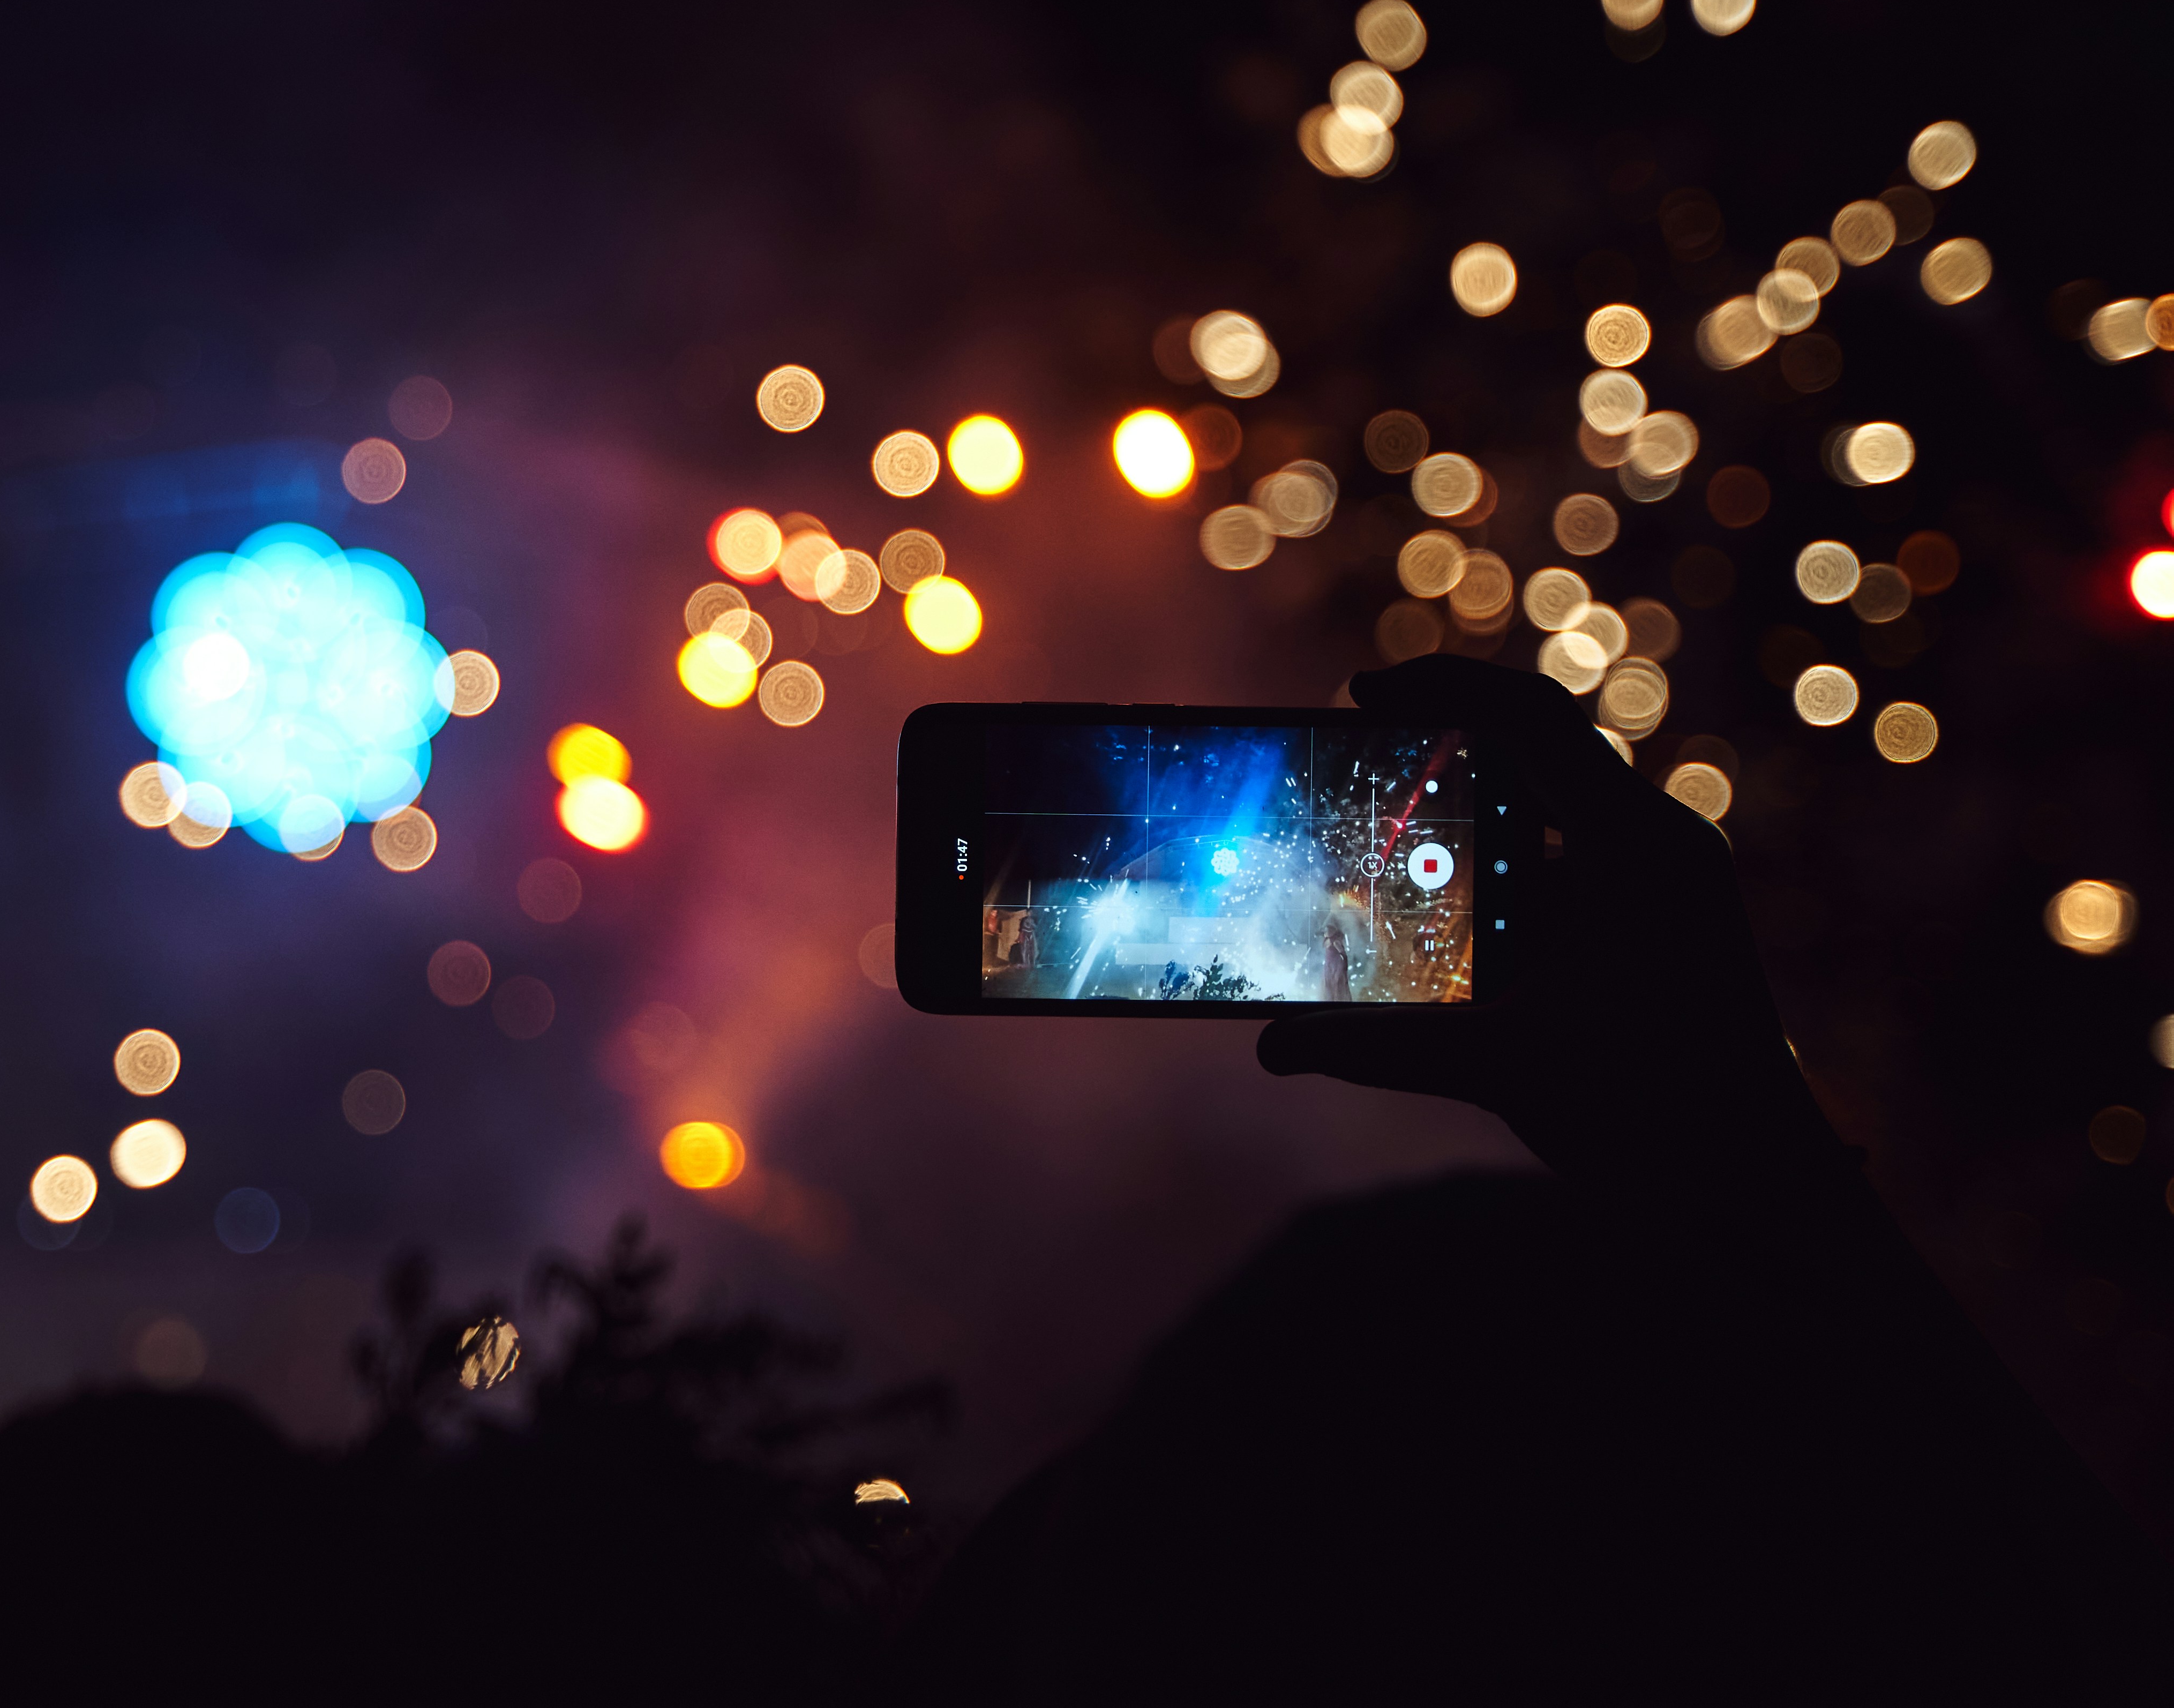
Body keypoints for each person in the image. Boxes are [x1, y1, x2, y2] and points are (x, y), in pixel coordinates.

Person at [912, 656, 2170, 1689]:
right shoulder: (1924, 1599)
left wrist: (1756, 1160)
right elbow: (2090, 1631)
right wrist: (1763, 1160)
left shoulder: (1103, 1570)